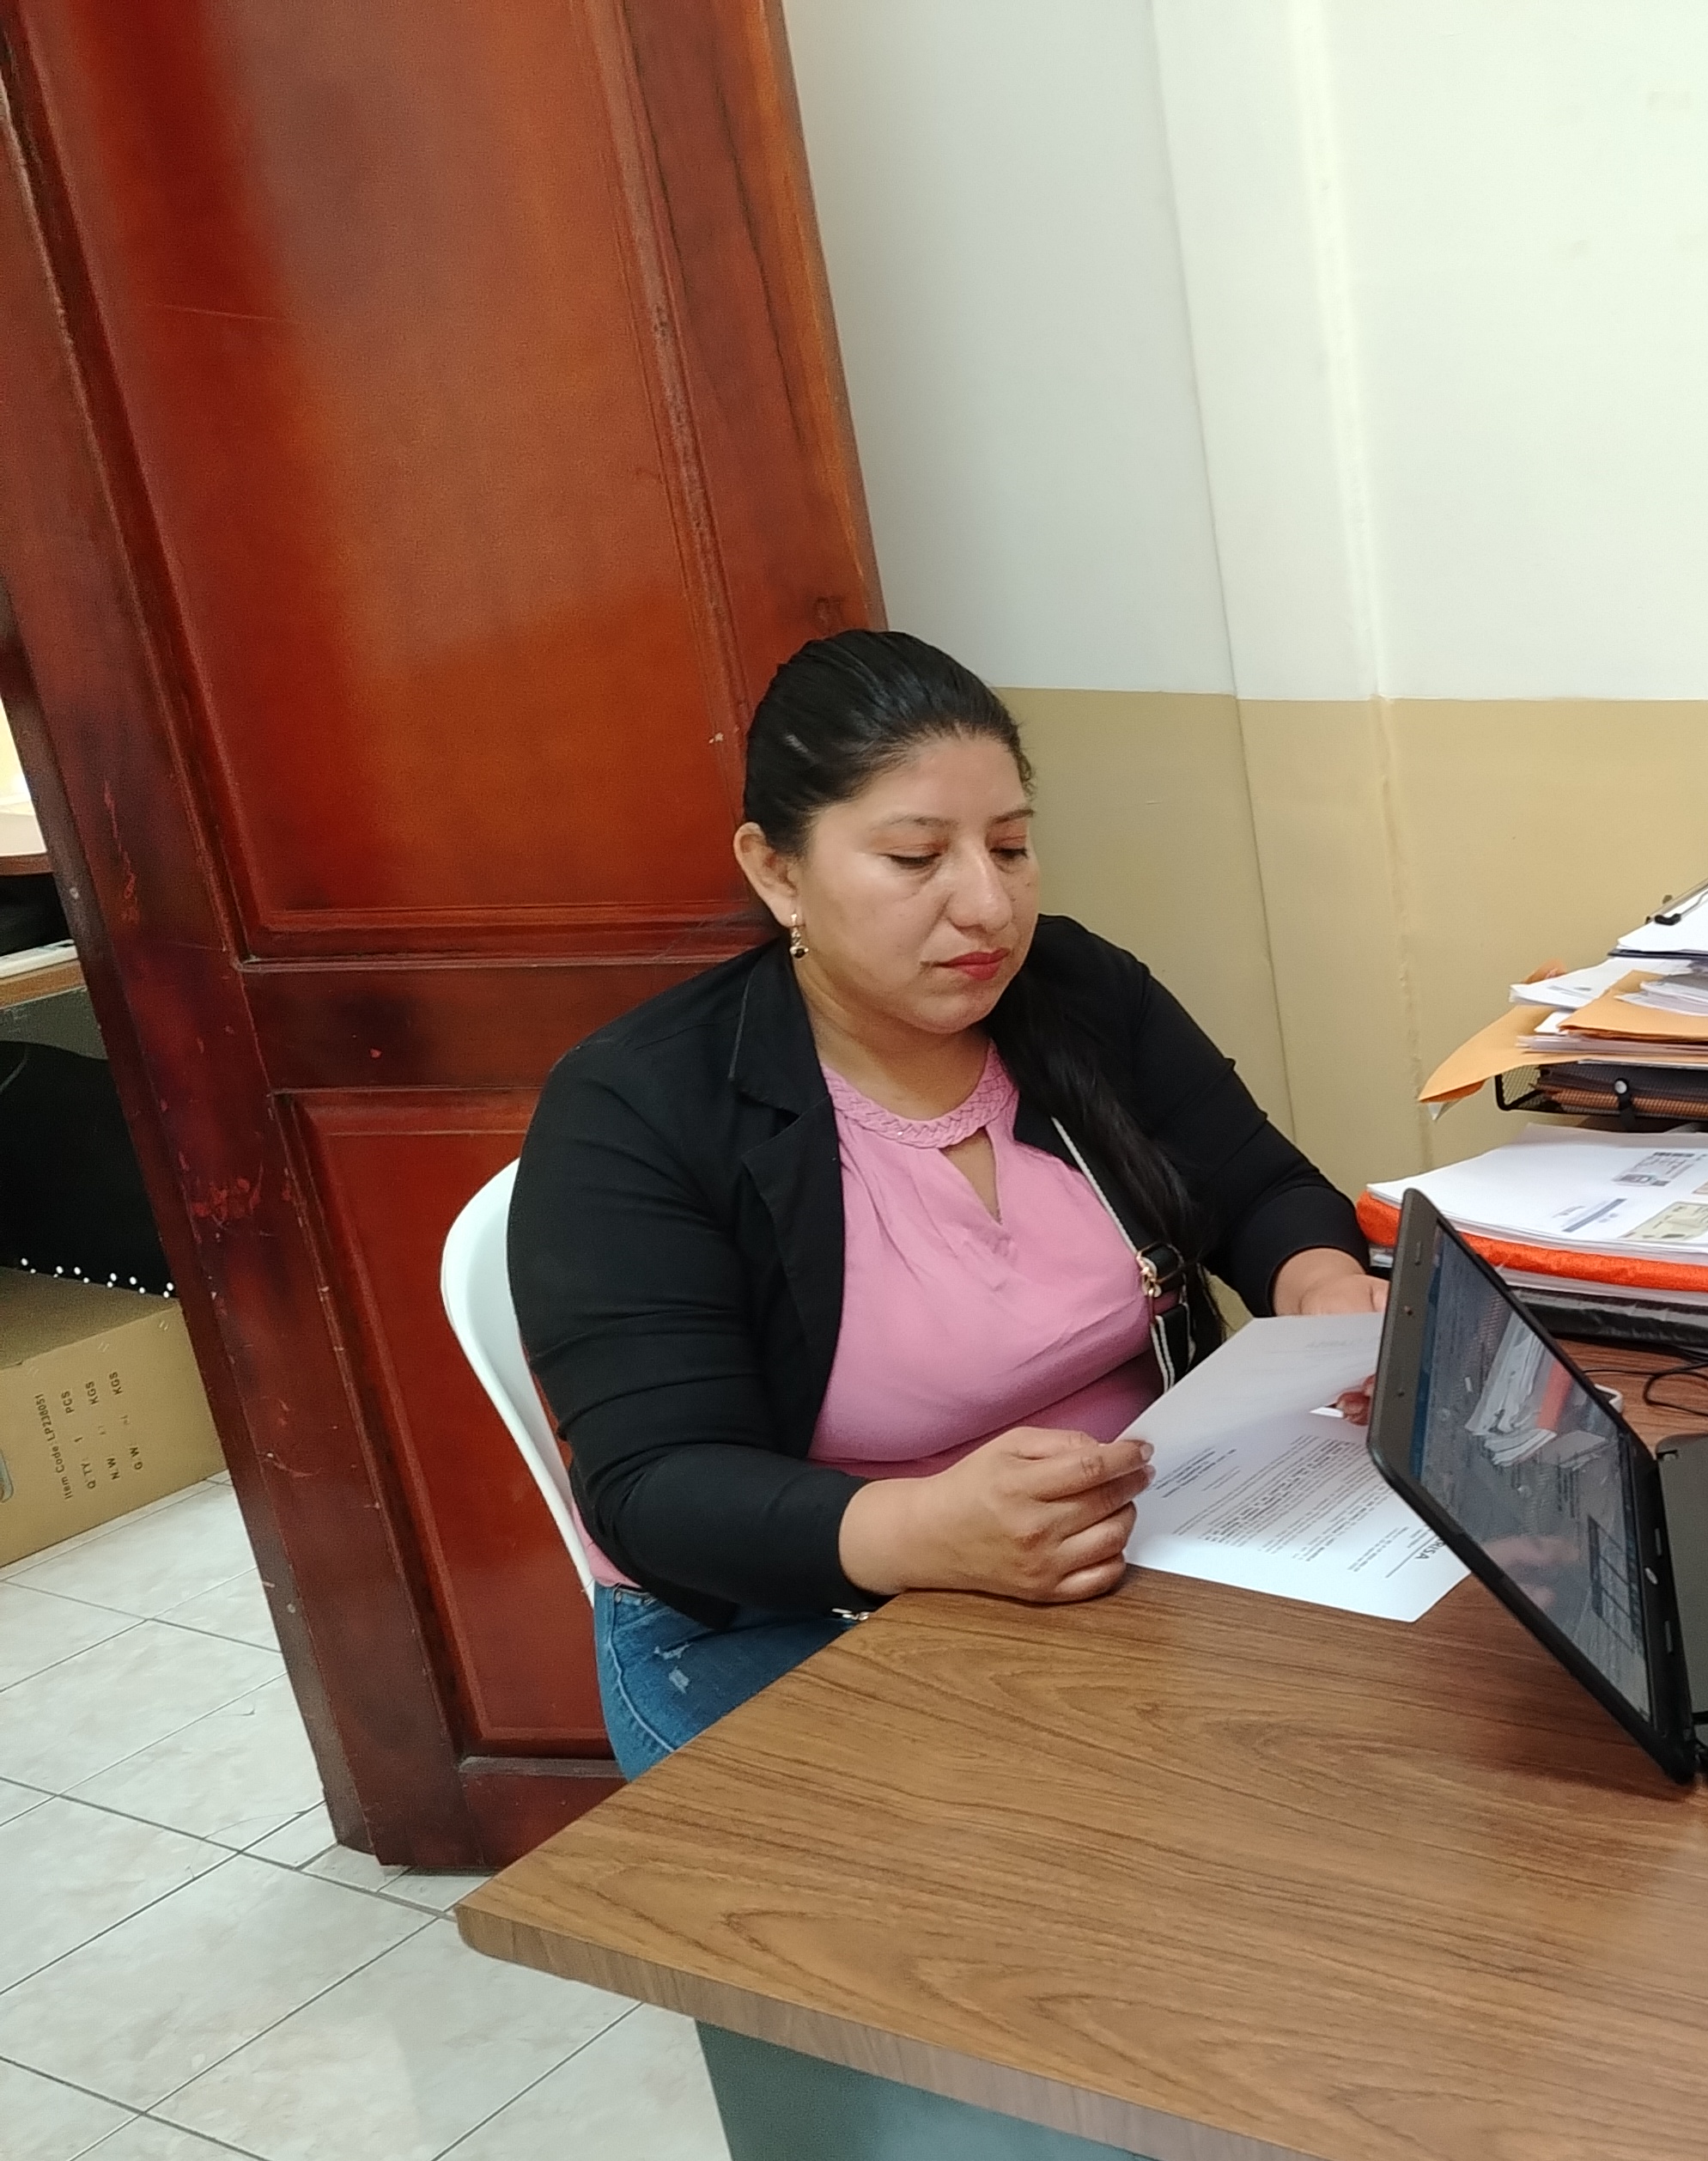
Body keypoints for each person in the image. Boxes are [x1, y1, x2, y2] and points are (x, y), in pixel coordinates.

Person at [514, 630, 1383, 1778]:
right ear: (778, 872)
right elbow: (658, 1484)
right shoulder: (639, 1106)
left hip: (1145, 1534)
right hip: (787, 1611)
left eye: (1011, 848)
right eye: (917, 858)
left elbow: (1262, 1188)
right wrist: (923, 1532)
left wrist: (1324, 1293)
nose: (988, 905)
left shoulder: (1077, 991)